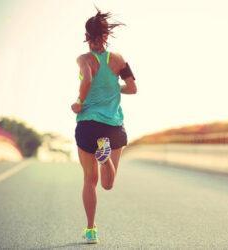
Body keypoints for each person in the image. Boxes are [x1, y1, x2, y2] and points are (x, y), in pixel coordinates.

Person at [71, 9, 137, 244]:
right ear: (107, 36)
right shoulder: (118, 60)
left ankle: (91, 230)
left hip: (88, 124)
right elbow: (133, 88)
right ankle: (105, 157)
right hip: (113, 127)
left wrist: (79, 102)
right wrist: (114, 88)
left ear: (87, 36)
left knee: (90, 180)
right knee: (108, 184)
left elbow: (87, 79)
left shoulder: (84, 59)